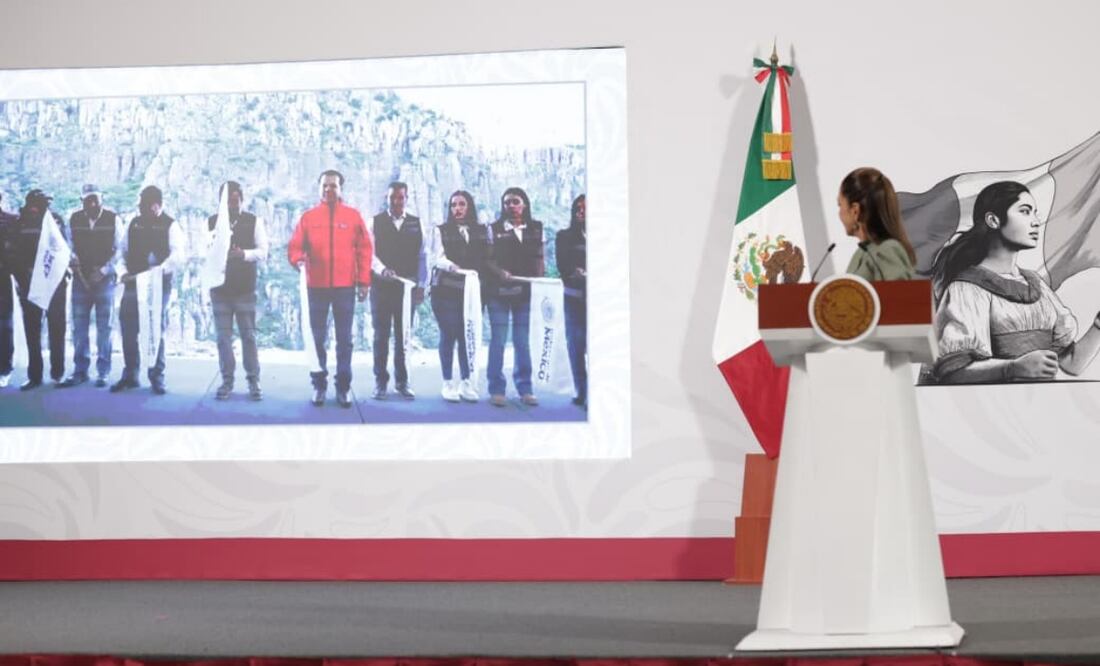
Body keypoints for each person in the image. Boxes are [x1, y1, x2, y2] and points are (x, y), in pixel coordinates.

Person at [930, 180, 1100, 383]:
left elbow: (1071, 363)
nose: (1036, 221)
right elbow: (953, 373)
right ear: (993, 220)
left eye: (1035, 212)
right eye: (1025, 211)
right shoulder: (967, 289)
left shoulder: (1036, 285)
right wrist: (1013, 368)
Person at [287, 169, 372, 408]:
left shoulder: (353, 217)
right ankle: (319, 385)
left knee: (345, 340)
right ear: (319, 188)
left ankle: (343, 387)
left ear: (341, 188)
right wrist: (299, 260)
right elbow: (294, 247)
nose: (328, 190)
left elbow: (365, 250)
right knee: (317, 338)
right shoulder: (308, 217)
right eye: (325, 185)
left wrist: (364, 281)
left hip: (345, 287)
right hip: (316, 287)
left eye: (333, 186)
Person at [111, 185, 185, 395]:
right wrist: (123, 272)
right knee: (128, 328)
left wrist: (157, 272)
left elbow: (177, 255)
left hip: (157, 286)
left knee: (153, 328)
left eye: (144, 206)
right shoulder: (134, 224)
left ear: (155, 205)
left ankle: (156, 376)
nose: (140, 210)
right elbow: (121, 253)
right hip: (133, 284)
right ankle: (130, 374)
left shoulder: (170, 225)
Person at [207, 181, 268, 401]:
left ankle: (253, 381)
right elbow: (206, 251)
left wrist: (243, 254)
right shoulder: (212, 222)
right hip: (220, 290)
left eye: (235, 199)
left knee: (248, 336)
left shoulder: (254, 221)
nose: (233, 204)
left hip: (244, 289)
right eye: (228, 200)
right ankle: (227, 381)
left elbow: (263, 252)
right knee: (223, 338)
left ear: (242, 199)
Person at [485, 187, 545, 407]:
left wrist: (539, 281)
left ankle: (525, 388)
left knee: (522, 342)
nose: (511, 206)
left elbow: (540, 259)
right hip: (498, 292)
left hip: (525, 293)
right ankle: (496, 389)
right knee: (498, 340)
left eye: (515, 201)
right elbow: (487, 259)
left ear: (525, 204)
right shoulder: (493, 229)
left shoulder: (537, 228)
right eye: (507, 202)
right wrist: (500, 272)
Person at [367, 181, 427, 401]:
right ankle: (380, 383)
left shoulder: (416, 224)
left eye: (400, 197)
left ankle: (402, 382)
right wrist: (382, 269)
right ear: (387, 198)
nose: (396, 201)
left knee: (404, 338)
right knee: (381, 337)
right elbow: (369, 254)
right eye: (392, 197)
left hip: (407, 291)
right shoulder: (375, 222)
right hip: (381, 288)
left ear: (406, 198)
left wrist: (421, 285)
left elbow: (422, 256)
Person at [59, 184, 123, 389]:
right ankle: (80, 371)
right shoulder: (74, 219)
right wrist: (73, 259)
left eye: (95, 199)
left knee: (105, 327)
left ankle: (103, 372)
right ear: (82, 202)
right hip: (80, 279)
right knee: (79, 327)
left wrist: (104, 271)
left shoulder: (113, 219)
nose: (92, 203)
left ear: (101, 199)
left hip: (104, 280)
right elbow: (68, 245)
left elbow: (121, 250)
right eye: (88, 200)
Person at [430, 190, 489, 402]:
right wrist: (453, 266)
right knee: (449, 334)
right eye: (453, 205)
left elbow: (486, 259)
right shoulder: (441, 231)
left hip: (472, 292)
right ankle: (448, 382)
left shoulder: (482, 231)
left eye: (462, 204)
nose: (457, 208)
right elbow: (437, 258)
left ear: (469, 206)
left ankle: (466, 382)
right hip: (445, 290)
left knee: (467, 336)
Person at [11, 189, 69, 391]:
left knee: (57, 328)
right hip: (29, 284)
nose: (39, 207)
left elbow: (63, 250)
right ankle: (34, 376)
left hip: (54, 284)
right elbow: (13, 253)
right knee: (33, 332)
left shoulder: (56, 221)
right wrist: (23, 275)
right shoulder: (20, 223)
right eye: (36, 204)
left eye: (43, 203)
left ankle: (58, 373)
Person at [837, 167, 917, 281]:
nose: (839, 213)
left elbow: (901, 296)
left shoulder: (887, 249)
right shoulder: (861, 252)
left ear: (855, 210)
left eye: (840, 205)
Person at [556, 194, 587, 408]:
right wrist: (576, 272)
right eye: (578, 208)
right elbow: (563, 266)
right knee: (576, 345)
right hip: (574, 298)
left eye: (586, 208)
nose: (581, 212)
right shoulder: (564, 236)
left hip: (600, 302)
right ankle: (582, 390)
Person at [0, 194, 17, 388]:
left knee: (4, 325)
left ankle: (4, 368)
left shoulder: (10, 220)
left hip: (3, 276)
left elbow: (16, 249)